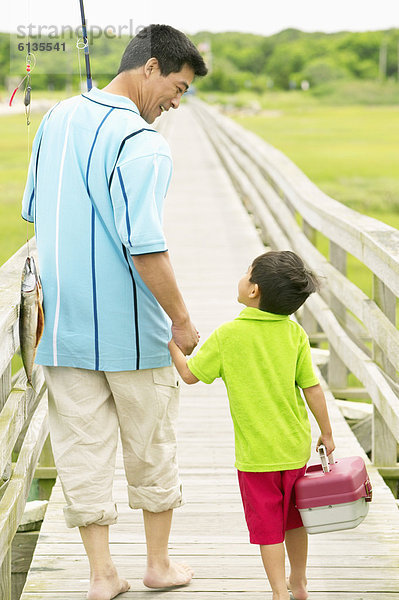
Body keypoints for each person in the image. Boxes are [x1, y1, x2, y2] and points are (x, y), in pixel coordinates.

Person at [21, 24, 207, 600]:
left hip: (61, 331)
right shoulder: (144, 143)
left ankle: (102, 577)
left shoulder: (54, 119)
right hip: (133, 334)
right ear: (150, 67)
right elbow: (144, 243)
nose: (178, 101)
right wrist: (181, 319)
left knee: (81, 450)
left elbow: (33, 209)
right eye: (177, 86)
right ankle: (157, 565)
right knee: (151, 446)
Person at [169, 250, 336, 600]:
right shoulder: (295, 335)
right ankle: (300, 582)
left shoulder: (229, 336)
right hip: (294, 449)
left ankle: (278, 592)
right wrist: (327, 432)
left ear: (253, 290)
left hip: (256, 457)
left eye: (247, 273)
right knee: (295, 520)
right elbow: (312, 388)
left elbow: (189, 375)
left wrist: (173, 346)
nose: (242, 277)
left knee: (268, 530)